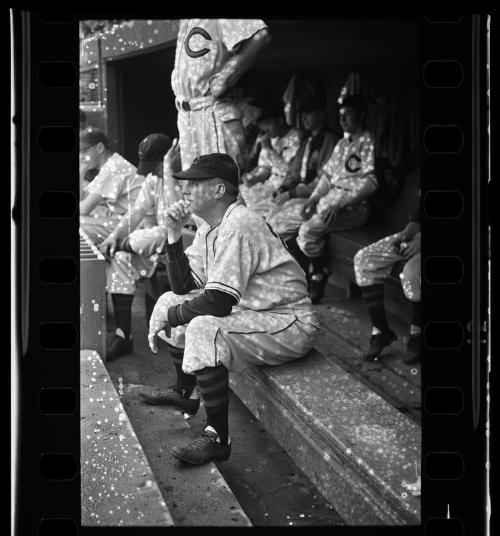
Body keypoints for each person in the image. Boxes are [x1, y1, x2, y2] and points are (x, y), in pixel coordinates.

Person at [142, 153, 321, 465]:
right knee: (170, 299)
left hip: (288, 321)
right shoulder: (210, 225)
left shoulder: (239, 225)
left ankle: (217, 438)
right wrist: (173, 235)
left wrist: (169, 317)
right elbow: (183, 287)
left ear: (219, 191)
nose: (185, 189)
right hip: (255, 314)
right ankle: (184, 392)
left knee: (201, 325)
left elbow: (217, 302)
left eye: (195, 183)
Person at [265, 95, 377, 303]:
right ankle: (302, 273)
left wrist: (342, 203)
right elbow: (326, 177)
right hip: (329, 201)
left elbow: (371, 182)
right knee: (278, 224)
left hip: (355, 206)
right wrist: (313, 199)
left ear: (361, 116)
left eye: (348, 114)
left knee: (306, 233)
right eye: (341, 114)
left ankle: (316, 274)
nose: (342, 119)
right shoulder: (343, 143)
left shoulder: (369, 141)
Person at [98, 134, 183, 361]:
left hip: (185, 242)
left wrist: (167, 170)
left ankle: (126, 244)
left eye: (154, 165)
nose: (150, 171)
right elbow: (135, 212)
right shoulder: (154, 180)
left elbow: (174, 224)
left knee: (148, 237)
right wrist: (114, 237)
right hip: (159, 247)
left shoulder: (185, 175)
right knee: (119, 257)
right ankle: (123, 335)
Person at [171, 19, 271, 172]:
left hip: (210, 110)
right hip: (187, 115)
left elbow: (261, 35)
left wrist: (227, 74)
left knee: (219, 186)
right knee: (196, 187)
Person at [267, 94, 338, 272]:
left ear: (321, 115)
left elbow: (324, 181)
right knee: (270, 219)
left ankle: (307, 270)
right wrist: (284, 187)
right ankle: (299, 269)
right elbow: (294, 172)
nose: (304, 118)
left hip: (319, 199)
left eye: (309, 113)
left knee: (276, 226)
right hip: (300, 196)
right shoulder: (307, 140)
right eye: (302, 114)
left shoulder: (331, 140)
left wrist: (292, 194)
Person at [354, 193, 421, 363]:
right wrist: (408, 232)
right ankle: (380, 330)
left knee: (411, 274)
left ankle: (417, 334)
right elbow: (419, 215)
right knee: (364, 259)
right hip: (417, 237)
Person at [79, 128, 143, 246]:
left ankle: (96, 261)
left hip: (138, 225)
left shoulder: (113, 168)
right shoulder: (109, 165)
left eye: (84, 151)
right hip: (129, 221)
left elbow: (84, 209)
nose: (81, 156)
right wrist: (81, 170)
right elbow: (82, 197)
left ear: (100, 148)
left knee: (80, 222)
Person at [239, 101, 303, 217]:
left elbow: (289, 171)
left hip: (283, 188)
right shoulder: (271, 137)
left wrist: (270, 150)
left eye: (268, 123)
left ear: (280, 120)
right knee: (238, 196)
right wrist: (253, 178)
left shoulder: (296, 137)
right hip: (268, 184)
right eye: (262, 125)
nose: (265, 129)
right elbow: (266, 168)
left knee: (251, 210)